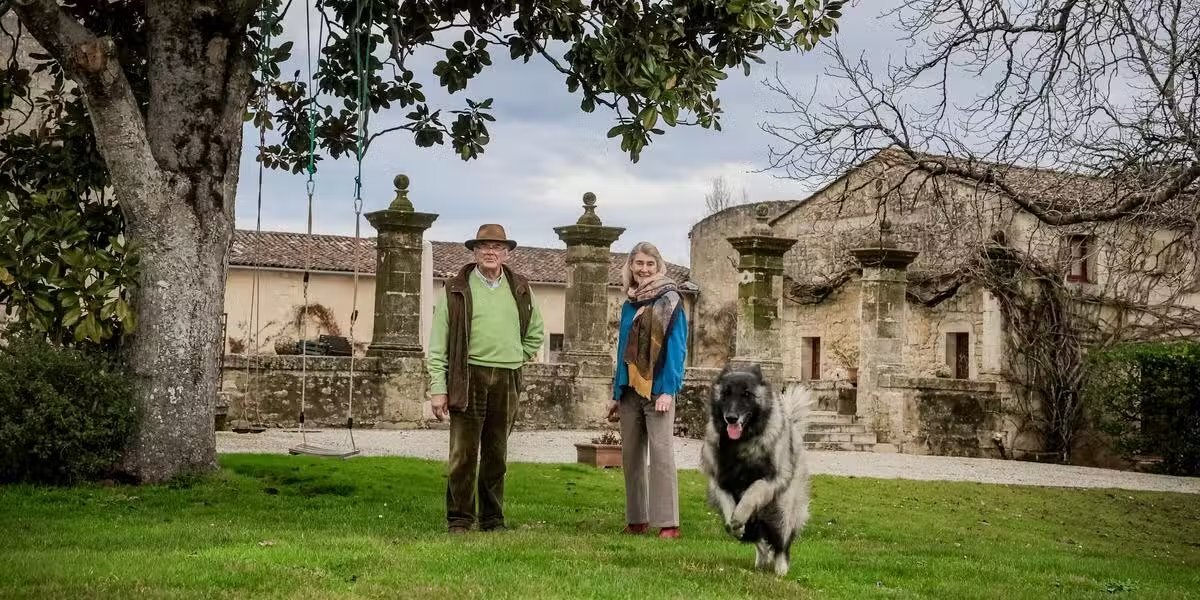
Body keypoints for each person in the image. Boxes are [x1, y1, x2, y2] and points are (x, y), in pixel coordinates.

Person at [427, 223, 545, 534]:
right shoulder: (456, 288)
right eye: (483, 246)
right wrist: (438, 388)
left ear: (506, 252)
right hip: (468, 376)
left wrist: (516, 355)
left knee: (496, 453)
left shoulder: (520, 287)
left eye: (497, 247)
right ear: (474, 251)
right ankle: (460, 519)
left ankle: (493, 519)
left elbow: (536, 333)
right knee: (463, 453)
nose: (490, 251)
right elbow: (439, 343)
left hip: (508, 376)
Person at [607, 241, 688, 539]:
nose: (643, 269)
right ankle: (637, 519)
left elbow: (677, 350)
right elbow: (622, 352)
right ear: (630, 266)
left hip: (658, 390)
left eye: (649, 264)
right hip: (629, 390)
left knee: (662, 455)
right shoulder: (629, 303)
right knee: (630, 456)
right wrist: (617, 393)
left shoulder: (671, 300)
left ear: (658, 267)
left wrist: (668, 389)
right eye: (638, 263)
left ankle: (669, 523)